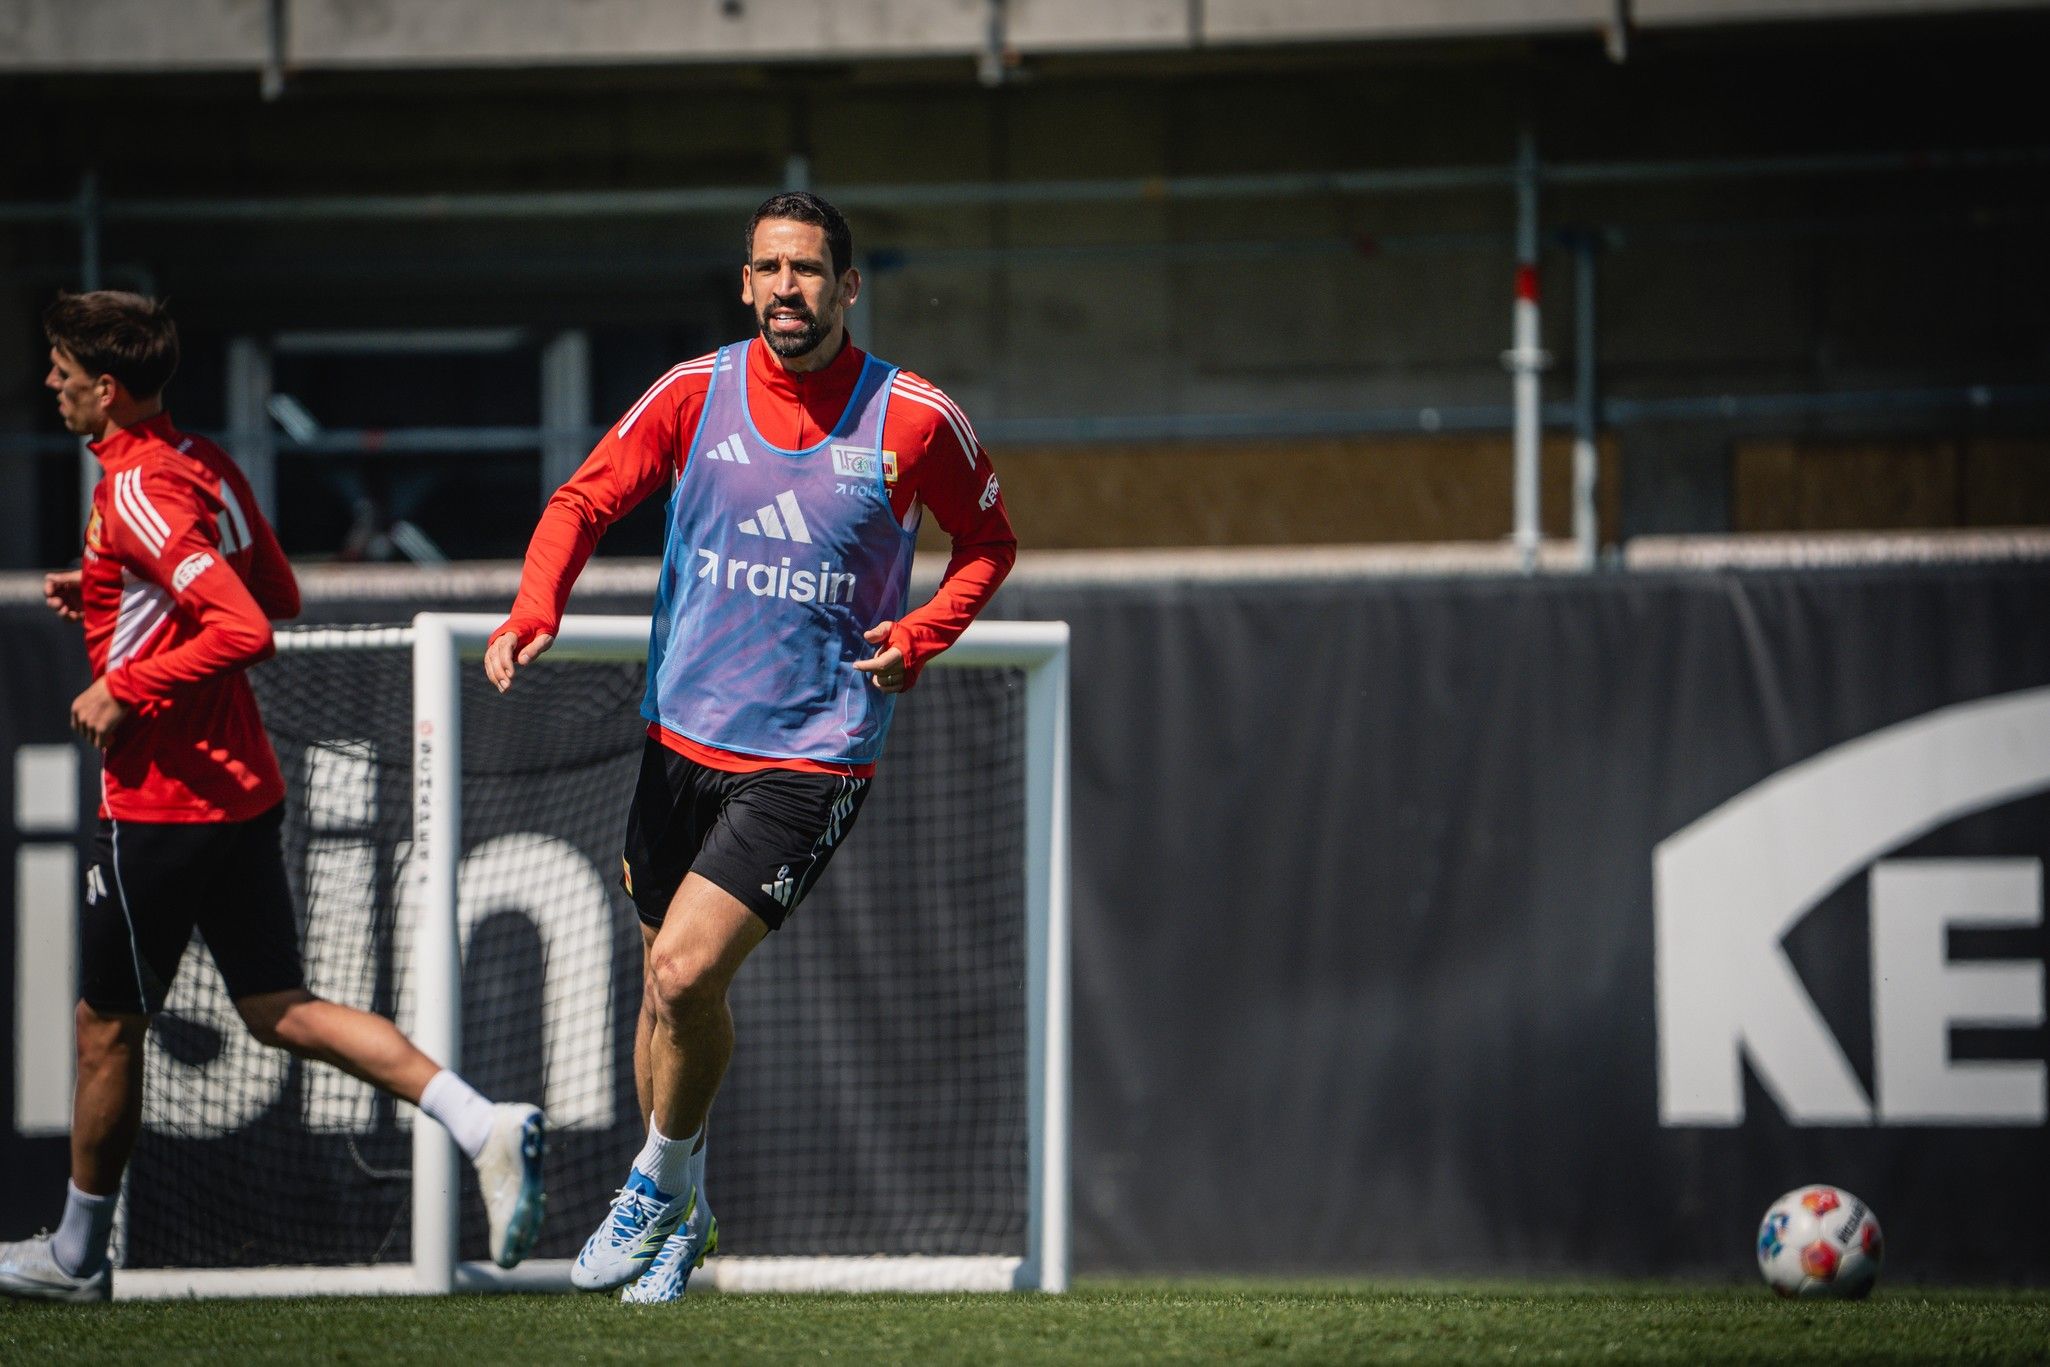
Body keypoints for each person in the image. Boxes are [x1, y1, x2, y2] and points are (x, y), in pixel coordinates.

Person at [485, 190, 1016, 1302]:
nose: (789, 287)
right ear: (744, 282)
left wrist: (923, 632)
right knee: (660, 992)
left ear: (848, 287)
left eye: (811, 270)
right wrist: (538, 602)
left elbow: (987, 542)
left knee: (685, 970)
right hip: (678, 740)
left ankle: (655, 1186)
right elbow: (581, 502)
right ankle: (683, 1212)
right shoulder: (693, 393)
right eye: (770, 268)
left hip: (812, 752)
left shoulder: (914, 417)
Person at [0, 292, 549, 1302]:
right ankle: (481, 1119)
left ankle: (76, 1256)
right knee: (279, 1008)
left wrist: (128, 679)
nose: (50, 384)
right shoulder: (200, 462)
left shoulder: (134, 490)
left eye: (61, 370)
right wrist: (116, 591)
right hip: (242, 792)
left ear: (105, 388)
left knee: (105, 1028)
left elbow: (248, 624)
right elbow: (273, 589)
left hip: (162, 804)